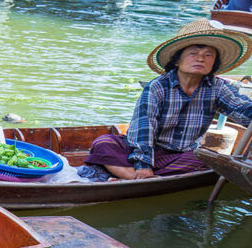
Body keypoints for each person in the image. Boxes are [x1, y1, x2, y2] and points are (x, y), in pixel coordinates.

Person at [83, 19, 252, 180]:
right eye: (193, 53)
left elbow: (242, 110)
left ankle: (128, 177)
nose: (201, 59)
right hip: (149, 149)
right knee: (104, 142)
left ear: (213, 64)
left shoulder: (218, 88)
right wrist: (143, 164)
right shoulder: (157, 87)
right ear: (177, 60)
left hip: (184, 155)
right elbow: (144, 127)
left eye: (208, 56)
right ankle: (139, 177)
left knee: (205, 161)